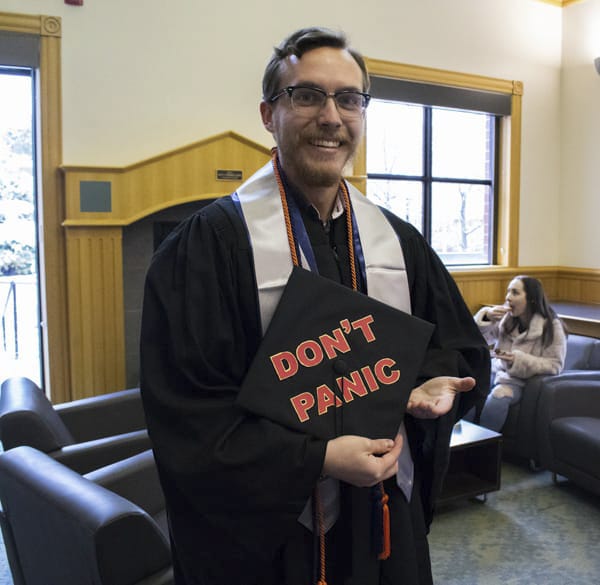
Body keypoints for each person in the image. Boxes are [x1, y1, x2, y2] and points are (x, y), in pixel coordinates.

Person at [140, 27, 490, 585]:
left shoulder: (399, 243)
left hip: (381, 520)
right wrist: (318, 460)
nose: (332, 116)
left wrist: (431, 387)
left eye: (349, 99)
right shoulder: (204, 250)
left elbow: (454, 350)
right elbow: (188, 415)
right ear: (267, 114)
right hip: (272, 543)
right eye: (307, 96)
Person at [474, 275, 567, 432]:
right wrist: (487, 317)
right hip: (495, 373)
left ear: (531, 299)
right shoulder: (507, 319)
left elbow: (555, 365)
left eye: (515, 293)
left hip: (523, 383)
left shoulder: (552, 326)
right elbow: (476, 338)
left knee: (499, 395)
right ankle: (457, 447)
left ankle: (483, 447)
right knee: (468, 389)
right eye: (508, 292)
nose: (508, 297)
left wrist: (517, 359)